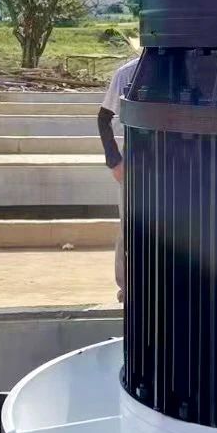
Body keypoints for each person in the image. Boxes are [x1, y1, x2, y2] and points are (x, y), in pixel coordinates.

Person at [97, 56, 139, 302]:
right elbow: (104, 118)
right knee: (129, 225)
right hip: (134, 160)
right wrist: (114, 161)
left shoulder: (184, 66)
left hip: (172, 160)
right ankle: (126, 285)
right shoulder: (128, 73)